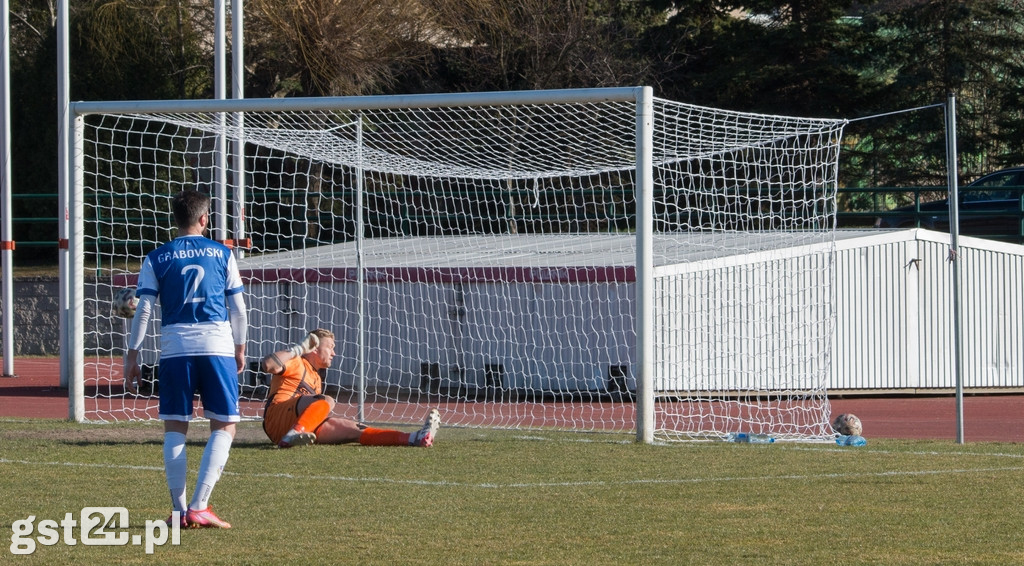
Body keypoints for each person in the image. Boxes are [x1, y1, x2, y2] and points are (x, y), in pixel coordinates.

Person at [122, 189, 248, 530]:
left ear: (175, 219)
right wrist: (240, 347)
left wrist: (132, 356)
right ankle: (200, 506)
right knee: (224, 425)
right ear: (204, 219)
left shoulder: (156, 257)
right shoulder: (223, 253)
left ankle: (179, 512)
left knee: (175, 426)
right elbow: (238, 307)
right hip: (216, 346)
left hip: (175, 347)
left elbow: (144, 308)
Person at [261, 328, 440, 448]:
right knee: (326, 400)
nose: (334, 353)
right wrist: (299, 349)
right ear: (314, 349)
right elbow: (268, 365)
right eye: (330, 347)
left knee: (355, 429)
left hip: (294, 424)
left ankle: (414, 438)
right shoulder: (298, 362)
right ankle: (293, 434)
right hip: (278, 417)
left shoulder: (316, 377)